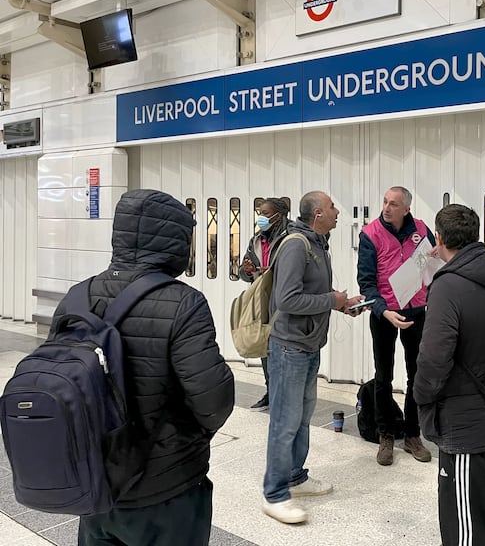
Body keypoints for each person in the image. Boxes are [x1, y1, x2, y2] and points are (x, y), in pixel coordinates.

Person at [62, 189, 235, 546]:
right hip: (168, 488)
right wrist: (189, 441)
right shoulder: (184, 303)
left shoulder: (76, 297)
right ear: (176, 240)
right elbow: (214, 401)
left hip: (95, 486)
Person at [262, 190, 365, 525]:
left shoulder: (320, 244)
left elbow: (317, 295)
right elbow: (288, 299)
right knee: (284, 420)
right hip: (289, 347)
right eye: (333, 206)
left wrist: (342, 304)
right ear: (318, 214)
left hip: (308, 345)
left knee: (301, 416)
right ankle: (274, 494)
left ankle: (295, 477)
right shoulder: (296, 245)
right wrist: (331, 301)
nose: (338, 211)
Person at [414, 204, 485, 546]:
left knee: (465, 529)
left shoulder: (448, 287)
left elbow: (433, 359)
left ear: (438, 238)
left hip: (464, 427)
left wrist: (421, 397)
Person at [357, 186, 434, 466]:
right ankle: (386, 435)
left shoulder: (422, 230)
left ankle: (413, 435)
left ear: (407, 209)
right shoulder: (370, 234)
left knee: (417, 373)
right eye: (385, 202)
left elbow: (433, 268)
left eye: (394, 204)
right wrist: (383, 310)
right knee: (383, 375)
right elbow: (366, 283)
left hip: (416, 312)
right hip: (384, 315)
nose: (387, 208)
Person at [239, 197, 290, 411]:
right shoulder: (256, 240)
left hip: (283, 300)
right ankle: (271, 392)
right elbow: (242, 272)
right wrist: (247, 270)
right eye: (259, 212)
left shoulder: (291, 237)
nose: (261, 218)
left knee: (284, 347)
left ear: (280, 215)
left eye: (266, 214)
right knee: (264, 347)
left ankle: (285, 395)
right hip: (261, 299)